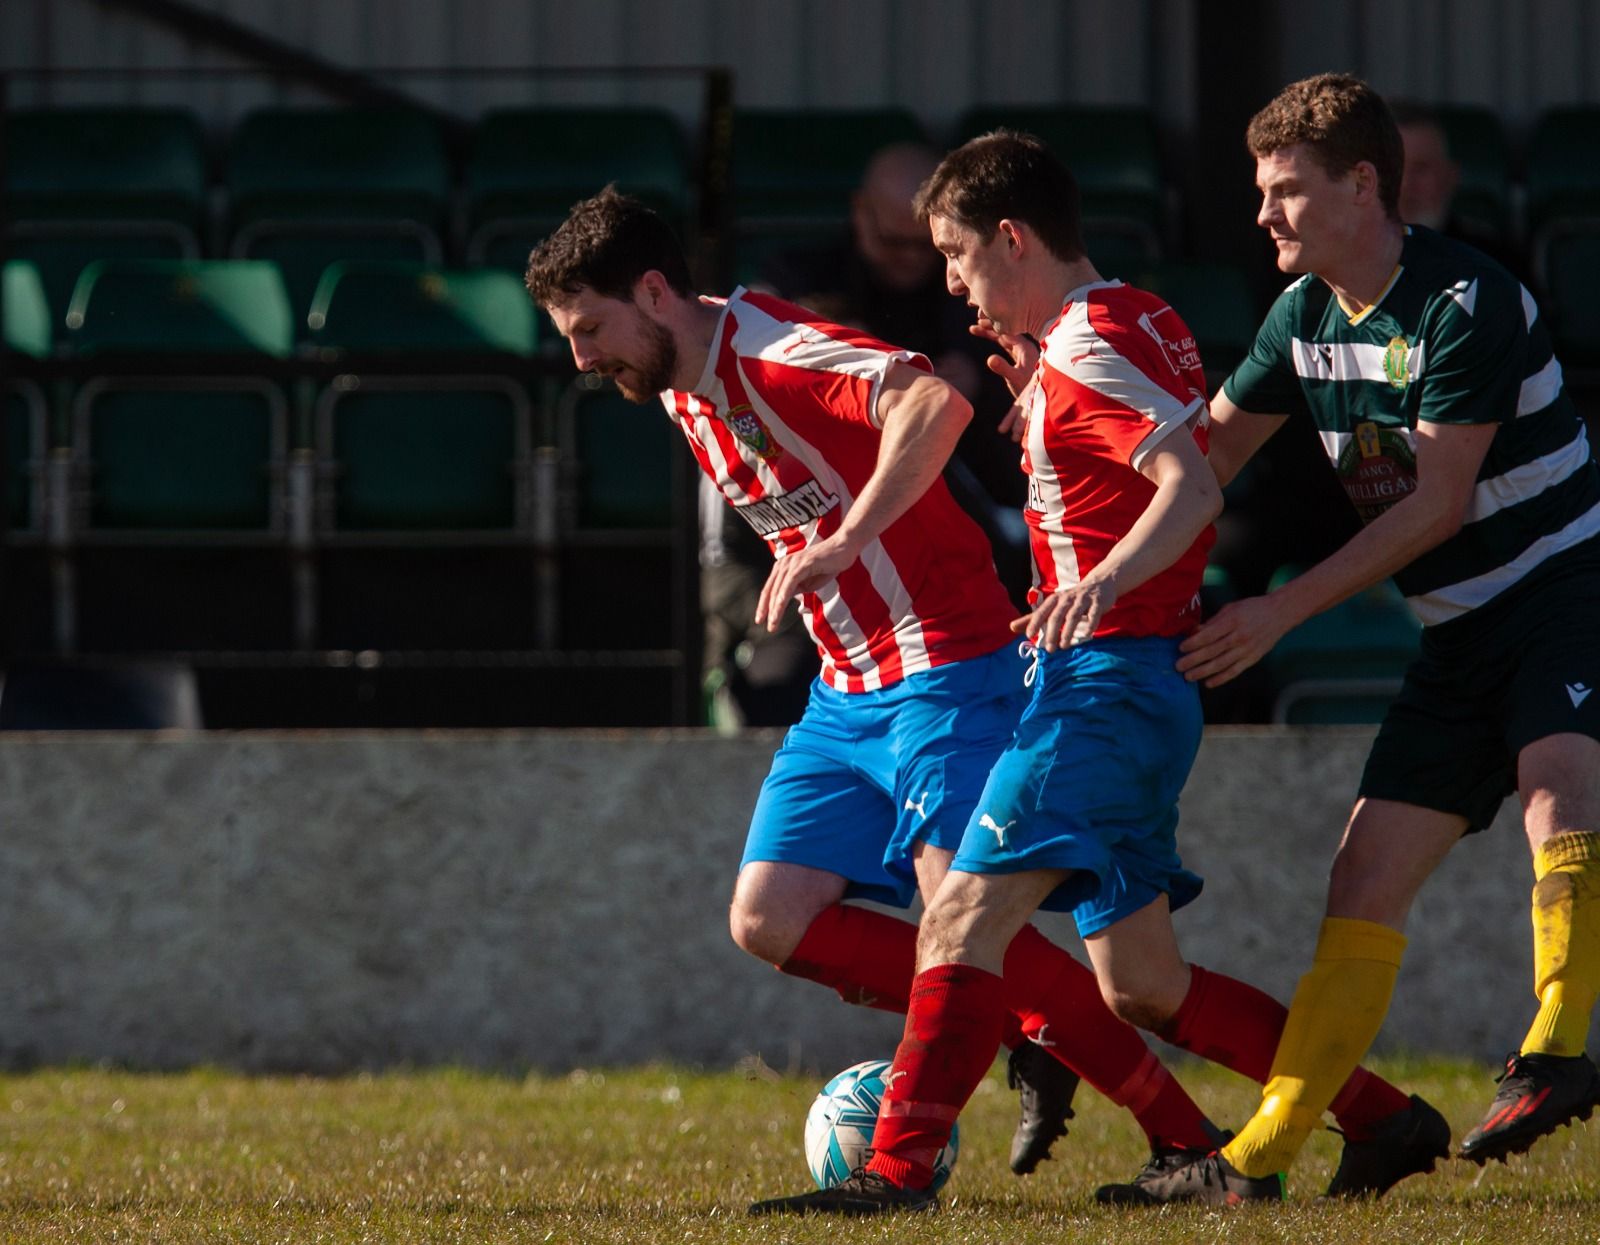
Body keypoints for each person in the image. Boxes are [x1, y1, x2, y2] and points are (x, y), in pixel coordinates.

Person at [747, 131, 1443, 1218]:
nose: (950, 282)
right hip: (1127, 684)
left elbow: (1191, 489)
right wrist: (1041, 412)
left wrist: (1099, 583)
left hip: (1102, 687)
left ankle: (893, 1174)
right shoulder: (1133, 318)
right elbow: (1152, 460)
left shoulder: (1091, 343)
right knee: (1143, 985)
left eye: (957, 255)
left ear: (1011, 238)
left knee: (960, 920)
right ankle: (1380, 1116)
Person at [525, 185, 1262, 1185]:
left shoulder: (775, 347)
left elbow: (934, 400)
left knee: (967, 924)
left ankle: (1183, 1137)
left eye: (589, 329)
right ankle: (1020, 1035)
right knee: (768, 919)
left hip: (947, 669)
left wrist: (851, 533)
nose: (579, 358)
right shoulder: (671, 385)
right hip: (845, 692)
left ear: (654, 291)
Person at [1129, 72, 1600, 1204]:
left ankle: (1559, 1052)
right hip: (1455, 633)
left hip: (1563, 595)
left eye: (1286, 190)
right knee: (1360, 880)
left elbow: (1433, 505)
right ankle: (1263, 1158)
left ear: (1361, 184)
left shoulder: (1463, 299)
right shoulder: (1300, 315)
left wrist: (1274, 610)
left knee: (1557, 793)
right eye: (1261, 191)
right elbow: (1207, 463)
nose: (1264, 215)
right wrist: (1085, 474)